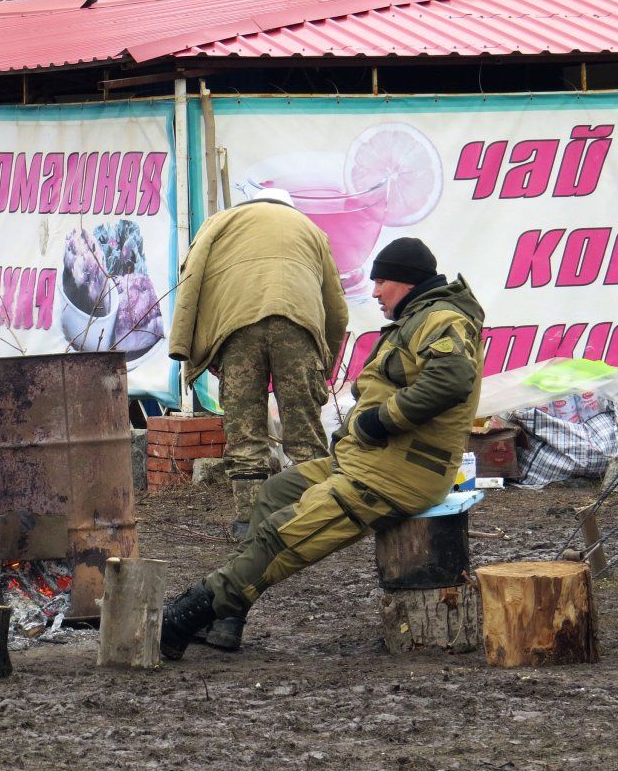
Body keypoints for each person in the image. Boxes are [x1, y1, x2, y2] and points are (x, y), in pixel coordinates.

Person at [161, 237, 484, 658]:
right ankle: (230, 613)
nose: (374, 292)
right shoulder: (421, 318)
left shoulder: (443, 319)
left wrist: (377, 420)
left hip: (398, 476)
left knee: (284, 534)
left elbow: (451, 381)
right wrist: (355, 426)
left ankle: (186, 615)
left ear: (406, 281)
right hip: (368, 460)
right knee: (276, 493)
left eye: (381, 281)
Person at [169, 187, 348, 542]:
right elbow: (336, 306)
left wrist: (198, 347)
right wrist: (324, 361)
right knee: (305, 436)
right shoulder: (310, 229)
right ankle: (309, 521)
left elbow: (191, 279)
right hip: (298, 325)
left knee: (244, 429)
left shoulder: (220, 223)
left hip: (239, 328)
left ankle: (247, 523)